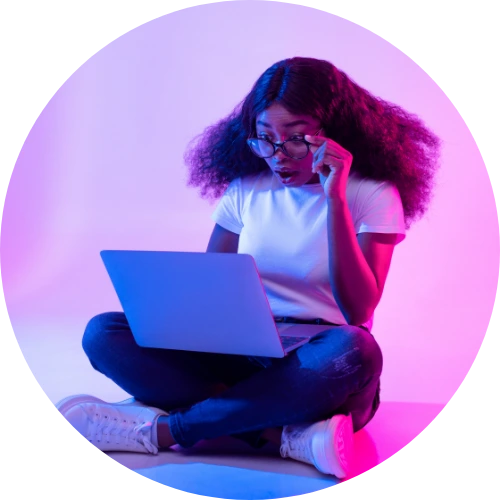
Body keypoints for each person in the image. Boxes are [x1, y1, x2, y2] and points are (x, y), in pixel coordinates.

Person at [56, 57, 440, 479]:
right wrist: (176, 321)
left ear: (334, 134)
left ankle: (163, 430)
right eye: (265, 139)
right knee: (105, 332)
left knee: (356, 348)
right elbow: (211, 292)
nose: (279, 155)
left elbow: (358, 310)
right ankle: (282, 438)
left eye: (297, 138)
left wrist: (334, 201)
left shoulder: (372, 194)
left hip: (320, 366)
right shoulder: (245, 191)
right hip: (245, 354)